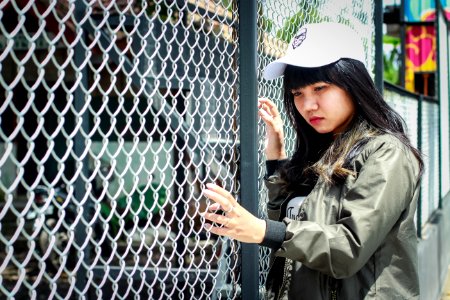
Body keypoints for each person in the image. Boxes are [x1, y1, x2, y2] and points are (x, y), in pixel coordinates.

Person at [201, 22, 423, 299]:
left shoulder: (386, 152)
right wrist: (277, 159)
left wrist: (260, 230)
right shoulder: (323, 149)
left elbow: (348, 248)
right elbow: (292, 220)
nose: (308, 105)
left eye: (320, 88)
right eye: (297, 94)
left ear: (353, 83)